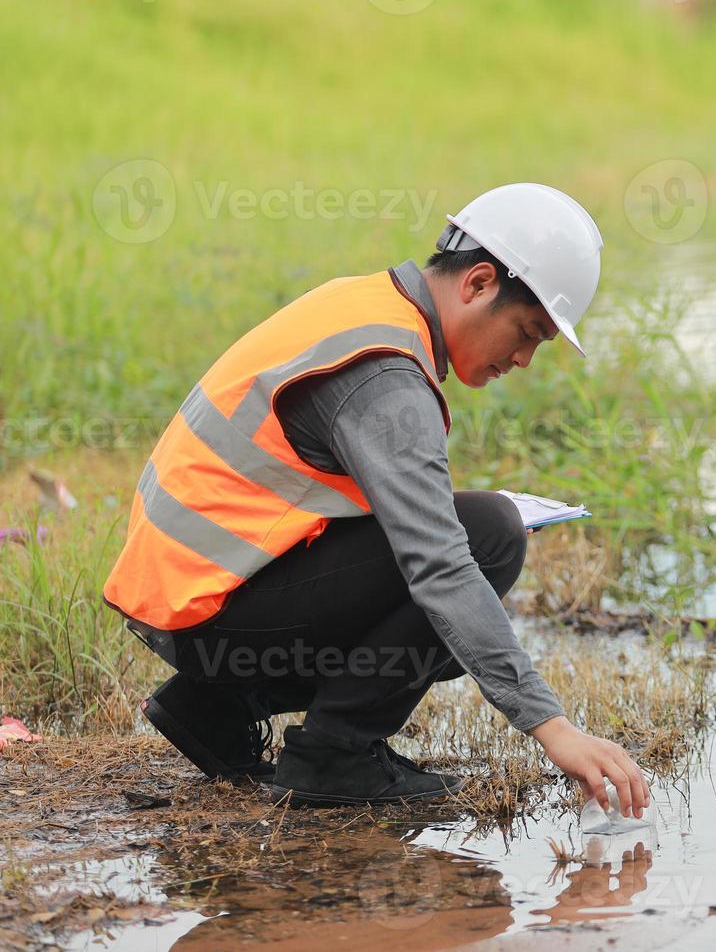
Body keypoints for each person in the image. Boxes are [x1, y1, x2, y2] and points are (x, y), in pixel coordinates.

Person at [101, 183, 649, 816]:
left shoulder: (363, 304)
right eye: (527, 332)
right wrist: (554, 728)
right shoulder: (386, 375)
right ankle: (333, 758)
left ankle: (217, 706)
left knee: (467, 545)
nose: (524, 358)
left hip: (188, 595)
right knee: (490, 535)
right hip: (206, 610)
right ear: (476, 284)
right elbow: (439, 564)